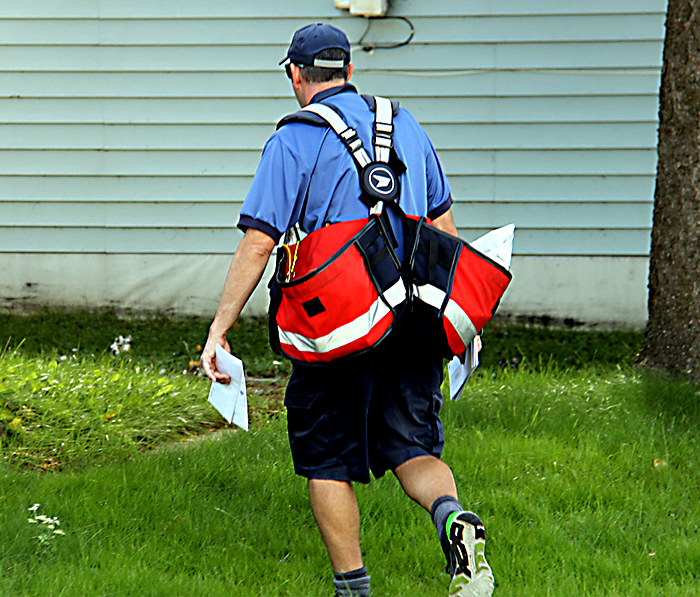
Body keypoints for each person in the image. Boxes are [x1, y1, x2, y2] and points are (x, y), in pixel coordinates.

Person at [200, 23, 495, 597]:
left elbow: (260, 241)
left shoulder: (293, 140)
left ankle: (353, 589)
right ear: (349, 72)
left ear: (295, 75)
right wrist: (463, 323)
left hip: (334, 324)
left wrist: (220, 327)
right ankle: (454, 517)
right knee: (414, 448)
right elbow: (444, 232)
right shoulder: (406, 124)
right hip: (415, 318)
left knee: (327, 459)